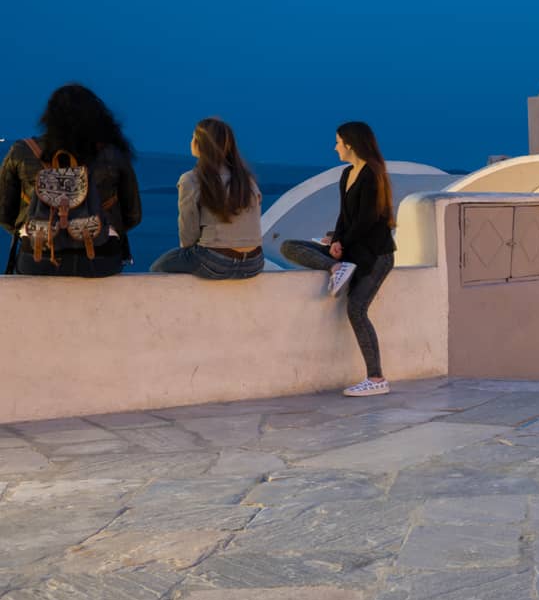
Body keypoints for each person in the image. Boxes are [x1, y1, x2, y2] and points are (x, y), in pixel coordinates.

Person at [279, 121, 397, 396]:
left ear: (351, 144)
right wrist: (335, 244)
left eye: (338, 142)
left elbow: (368, 220)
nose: (335, 148)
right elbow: (345, 216)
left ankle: (377, 379)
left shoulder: (373, 174)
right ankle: (336, 268)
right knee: (289, 246)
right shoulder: (347, 174)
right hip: (349, 253)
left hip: (374, 255)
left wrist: (342, 242)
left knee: (356, 310)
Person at [0, 83, 141, 277]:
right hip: (100, 260)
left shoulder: (22, 151)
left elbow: (4, 214)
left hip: (37, 258)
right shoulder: (112, 154)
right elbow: (133, 216)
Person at [149, 118, 264, 279]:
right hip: (254, 263)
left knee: (157, 267)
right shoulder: (247, 180)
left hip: (215, 262)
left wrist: (189, 255)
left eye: (193, 137)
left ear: (199, 143)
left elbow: (188, 234)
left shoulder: (192, 179)